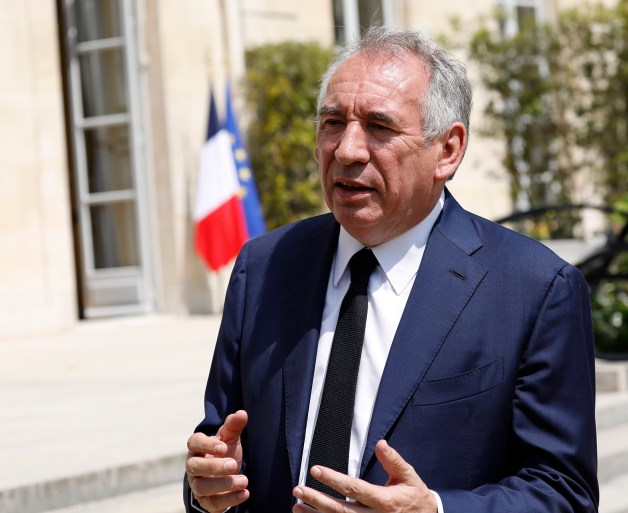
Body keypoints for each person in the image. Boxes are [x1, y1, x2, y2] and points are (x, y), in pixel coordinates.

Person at [184, 26, 598, 513]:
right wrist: (209, 488)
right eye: (333, 123)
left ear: (447, 150)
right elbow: (216, 449)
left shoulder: (533, 289)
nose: (347, 150)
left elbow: (563, 493)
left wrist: (436, 510)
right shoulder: (265, 267)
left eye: (379, 127)